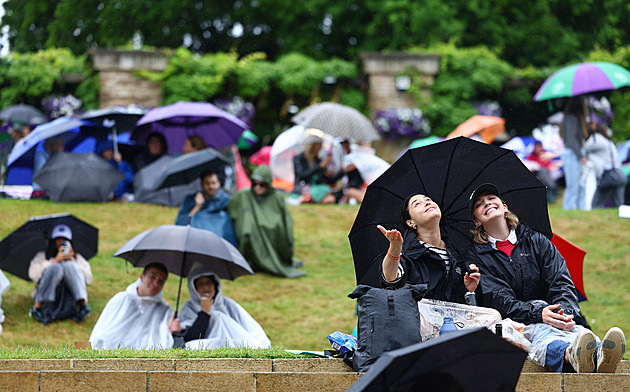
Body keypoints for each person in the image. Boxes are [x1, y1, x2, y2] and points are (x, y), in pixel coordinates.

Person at [467, 183, 625, 373]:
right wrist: (539, 313)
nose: (487, 203)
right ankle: (572, 354)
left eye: (492, 198)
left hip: (554, 315)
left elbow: (561, 281)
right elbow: (499, 299)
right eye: (479, 204)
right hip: (517, 324)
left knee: (579, 332)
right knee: (543, 334)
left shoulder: (537, 241)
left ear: (504, 206)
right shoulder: (476, 257)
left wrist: (564, 313)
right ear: (476, 221)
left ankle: (601, 354)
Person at [378, 193, 480, 303]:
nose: (427, 203)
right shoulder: (408, 252)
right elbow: (390, 278)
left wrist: (468, 289)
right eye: (417, 204)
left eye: (428, 199)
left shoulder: (455, 253)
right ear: (411, 222)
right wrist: (395, 247)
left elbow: (456, 302)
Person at [228, 165, 305, 278]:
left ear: (268, 184)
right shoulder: (245, 196)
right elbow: (231, 206)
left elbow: (285, 220)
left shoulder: (276, 197)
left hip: (274, 232)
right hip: (252, 236)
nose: (257, 187)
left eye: (262, 184)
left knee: (275, 228)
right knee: (248, 229)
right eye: (255, 184)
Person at [175, 264, 271, 349]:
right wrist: (204, 313)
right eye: (200, 284)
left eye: (208, 282)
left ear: (215, 285)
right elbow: (191, 338)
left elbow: (249, 328)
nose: (206, 287)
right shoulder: (188, 307)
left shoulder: (228, 304)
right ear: (194, 288)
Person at [89, 263, 178, 349]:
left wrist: (169, 331)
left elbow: (162, 341)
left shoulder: (164, 310)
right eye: (152, 277)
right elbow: (102, 332)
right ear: (142, 277)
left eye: (161, 280)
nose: (155, 284)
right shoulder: (123, 299)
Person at [27, 224, 92, 324]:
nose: (61, 243)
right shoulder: (42, 256)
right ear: (53, 241)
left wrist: (74, 262)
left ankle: (84, 305)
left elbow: (89, 279)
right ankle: (37, 307)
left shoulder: (78, 258)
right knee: (55, 268)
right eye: (58, 240)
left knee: (70, 266)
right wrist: (53, 261)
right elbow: (33, 275)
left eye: (64, 240)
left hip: (69, 292)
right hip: (49, 291)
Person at [175, 169, 237, 246]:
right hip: (198, 242)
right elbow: (180, 225)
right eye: (207, 183)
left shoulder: (226, 201)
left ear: (219, 184)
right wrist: (196, 207)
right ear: (201, 184)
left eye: (213, 183)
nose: (210, 186)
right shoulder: (191, 200)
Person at [291, 129, 342, 204]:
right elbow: (303, 175)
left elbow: (327, 180)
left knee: (330, 198)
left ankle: (308, 200)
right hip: (303, 187)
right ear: (313, 146)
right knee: (326, 192)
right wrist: (319, 167)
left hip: (317, 188)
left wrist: (330, 171)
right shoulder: (299, 158)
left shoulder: (318, 160)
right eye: (319, 146)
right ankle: (307, 199)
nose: (320, 149)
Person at [583, 124, 626, 208]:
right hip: (620, 174)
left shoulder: (596, 139)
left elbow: (584, 148)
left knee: (596, 204)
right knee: (618, 205)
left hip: (610, 175)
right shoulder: (608, 140)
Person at [560, 97, 589, 210]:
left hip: (574, 152)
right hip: (573, 154)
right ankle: (569, 208)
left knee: (579, 184)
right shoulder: (571, 118)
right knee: (573, 185)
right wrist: (580, 156)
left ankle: (579, 209)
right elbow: (571, 140)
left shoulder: (572, 118)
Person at [338, 139, 366, 205]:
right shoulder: (346, 159)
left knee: (350, 192)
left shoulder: (354, 159)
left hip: (357, 187)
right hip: (351, 187)